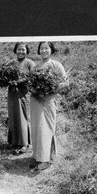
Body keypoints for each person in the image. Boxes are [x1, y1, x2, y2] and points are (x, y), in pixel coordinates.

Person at [30, 42, 69, 170]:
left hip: (48, 101)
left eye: (46, 48)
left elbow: (65, 83)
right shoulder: (36, 67)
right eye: (42, 48)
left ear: (51, 50)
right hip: (36, 101)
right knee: (36, 128)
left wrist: (51, 88)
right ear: (39, 51)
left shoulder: (56, 65)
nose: (44, 51)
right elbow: (30, 84)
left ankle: (46, 159)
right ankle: (37, 157)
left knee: (46, 128)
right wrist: (34, 89)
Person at [8, 42, 35, 154]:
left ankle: (25, 144)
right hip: (12, 94)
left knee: (23, 116)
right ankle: (14, 142)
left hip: (23, 93)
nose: (21, 51)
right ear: (15, 50)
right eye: (19, 49)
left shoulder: (29, 63)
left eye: (23, 49)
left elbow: (33, 77)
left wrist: (18, 82)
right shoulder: (11, 63)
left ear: (27, 51)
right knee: (13, 115)